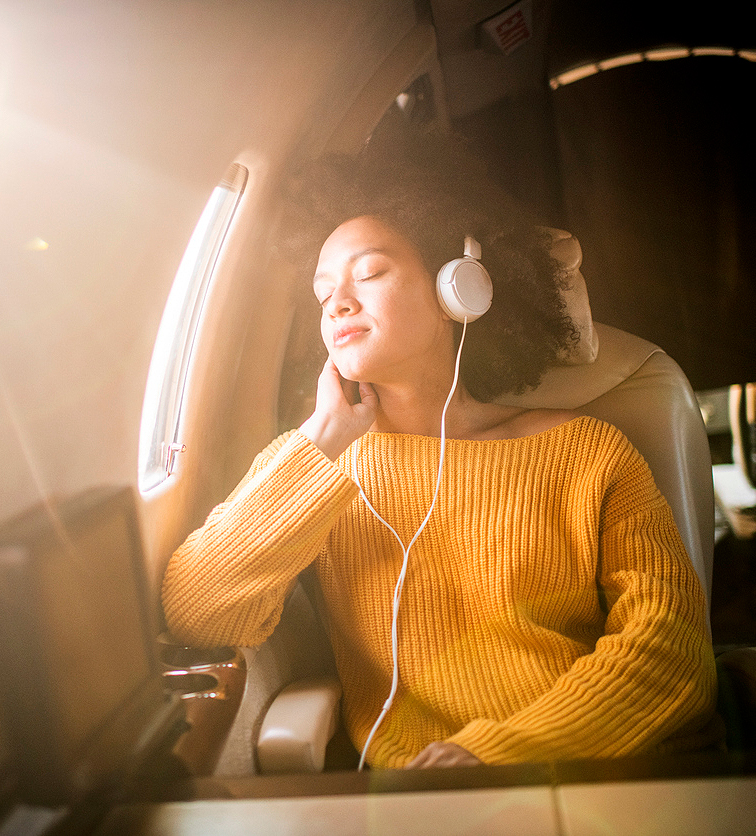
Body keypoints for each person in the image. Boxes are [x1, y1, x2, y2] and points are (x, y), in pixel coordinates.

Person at [160, 133, 718, 770]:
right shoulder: (316, 469)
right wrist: (321, 440)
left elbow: (671, 650)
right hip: (420, 800)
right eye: (323, 294)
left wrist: (494, 756)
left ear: (461, 290)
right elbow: (197, 613)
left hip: (601, 775)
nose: (338, 302)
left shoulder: (589, 453)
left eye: (369, 273)